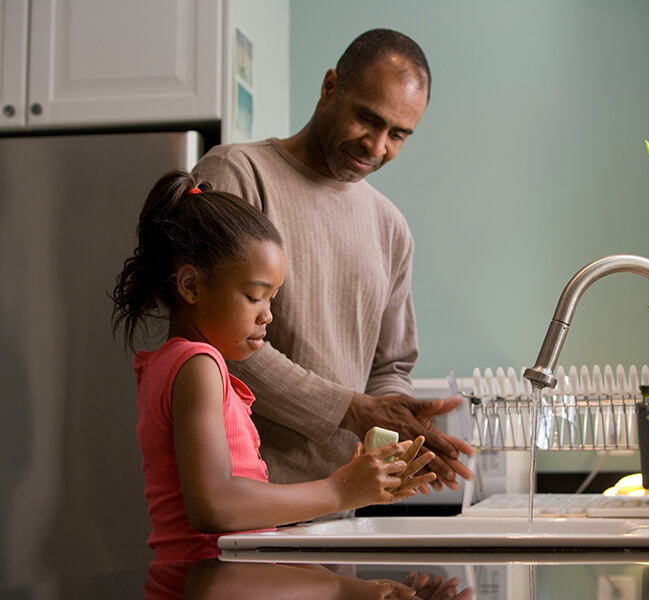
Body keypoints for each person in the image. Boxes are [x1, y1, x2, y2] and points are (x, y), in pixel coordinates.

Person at [192, 28, 473, 494]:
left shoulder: (390, 227)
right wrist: (353, 410)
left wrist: (396, 421)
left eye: (398, 135)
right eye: (368, 118)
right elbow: (213, 339)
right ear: (329, 88)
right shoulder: (236, 174)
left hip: (339, 504)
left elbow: (390, 366)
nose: (377, 146)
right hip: (242, 500)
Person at [111, 169, 435, 561]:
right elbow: (215, 504)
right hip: (206, 583)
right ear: (191, 286)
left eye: (272, 299)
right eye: (254, 297)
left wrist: (352, 485)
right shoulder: (199, 365)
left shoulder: (173, 362)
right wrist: (340, 490)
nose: (268, 316)